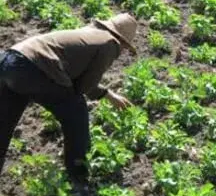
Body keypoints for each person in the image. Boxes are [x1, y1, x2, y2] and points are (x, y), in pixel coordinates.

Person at [0, 13, 138, 184]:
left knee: (3, 123)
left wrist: (106, 93)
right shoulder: (110, 44)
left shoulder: (89, 32)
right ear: (123, 41)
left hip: (9, 61)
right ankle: (78, 172)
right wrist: (105, 94)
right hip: (32, 69)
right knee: (76, 111)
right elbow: (83, 87)